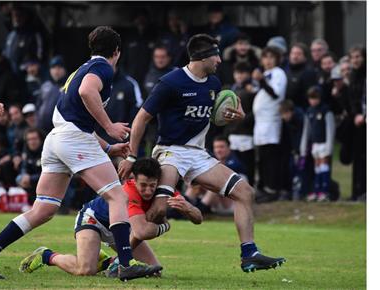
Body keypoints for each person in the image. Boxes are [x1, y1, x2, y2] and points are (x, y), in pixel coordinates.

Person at [0, 26, 162, 281]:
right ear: (117, 51)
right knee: (118, 197)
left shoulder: (81, 69)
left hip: (57, 137)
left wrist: (107, 147)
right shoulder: (104, 67)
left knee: (43, 210)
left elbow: (74, 115)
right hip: (72, 139)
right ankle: (126, 264)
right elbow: (86, 93)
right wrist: (109, 126)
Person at [118, 34, 285, 272]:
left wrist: (235, 116)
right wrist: (132, 157)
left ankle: (249, 253)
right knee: (158, 211)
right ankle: (121, 261)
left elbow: (221, 114)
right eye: (215, 55)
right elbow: (140, 120)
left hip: (198, 154)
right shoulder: (170, 82)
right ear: (201, 57)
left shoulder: (214, 84)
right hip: (170, 152)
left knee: (245, 192)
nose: (219, 60)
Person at [18, 158, 202, 277]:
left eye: (152, 186)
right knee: (85, 270)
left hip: (121, 230)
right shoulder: (129, 191)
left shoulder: (163, 190)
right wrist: (166, 225)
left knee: (154, 273)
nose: (148, 191)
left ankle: (108, 262)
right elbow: (142, 231)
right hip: (94, 220)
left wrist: (189, 208)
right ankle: (47, 255)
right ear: (133, 180)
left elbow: (198, 218)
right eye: (143, 185)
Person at [252, 47, 288, 202]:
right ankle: (263, 187)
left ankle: (272, 189)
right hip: (260, 122)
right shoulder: (266, 74)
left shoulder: (278, 73)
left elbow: (275, 94)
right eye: (265, 57)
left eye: (271, 57)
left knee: (271, 156)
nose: (267, 60)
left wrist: (261, 80)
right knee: (262, 156)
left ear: (277, 59)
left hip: (270, 121)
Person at [300, 87, 336, 202]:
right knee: (317, 168)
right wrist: (304, 146)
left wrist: (329, 146)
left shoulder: (326, 110)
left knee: (324, 166)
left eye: (315, 98)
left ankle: (324, 191)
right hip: (315, 144)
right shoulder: (309, 111)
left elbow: (330, 128)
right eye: (311, 98)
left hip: (324, 143)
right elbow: (307, 130)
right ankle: (317, 190)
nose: (313, 101)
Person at [225, 61, 258, 186]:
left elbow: (255, 110)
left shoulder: (252, 89)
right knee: (234, 162)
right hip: (233, 132)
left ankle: (250, 186)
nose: (239, 76)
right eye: (237, 73)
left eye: (242, 73)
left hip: (246, 132)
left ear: (248, 74)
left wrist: (244, 119)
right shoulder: (231, 89)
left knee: (248, 162)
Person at [347, 45, 366, 201]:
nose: (355, 60)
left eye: (358, 56)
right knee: (357, 158)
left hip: (364, 120)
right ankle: (356, 192)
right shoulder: (353, 76)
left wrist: (363, 115)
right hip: (356, 122)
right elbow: (352, 100)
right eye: (353, 57)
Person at [286, 42, 318, 110]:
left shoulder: (309, 72)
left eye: (298, 54)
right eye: (293, 53)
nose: (295, 56)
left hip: (302, 110)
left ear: (305, 57)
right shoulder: (285, 71)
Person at [16, 128, 44, 204]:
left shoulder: (46, 152)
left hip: (45, 179)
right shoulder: (26, 151)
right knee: (19, 178)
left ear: (40, 139)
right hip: (31, 179)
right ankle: (28, 203)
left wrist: (30, 178)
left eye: (34, 139)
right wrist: (24, 175)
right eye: (29, 139)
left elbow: (48, 173)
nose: (32, 142)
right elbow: (24, 167)